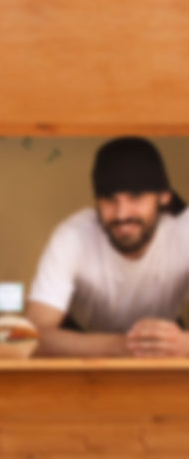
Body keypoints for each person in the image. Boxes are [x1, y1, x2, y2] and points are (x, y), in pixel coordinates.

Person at [26, 137, 189, 357]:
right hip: (81, 342)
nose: (122, 214)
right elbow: (33, 336)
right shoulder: (73, 236)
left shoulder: (184, 230)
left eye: (136, 197)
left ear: (164, 197)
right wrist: (129, 346)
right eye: (109, 199)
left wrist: (184, 345)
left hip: (169, 340)